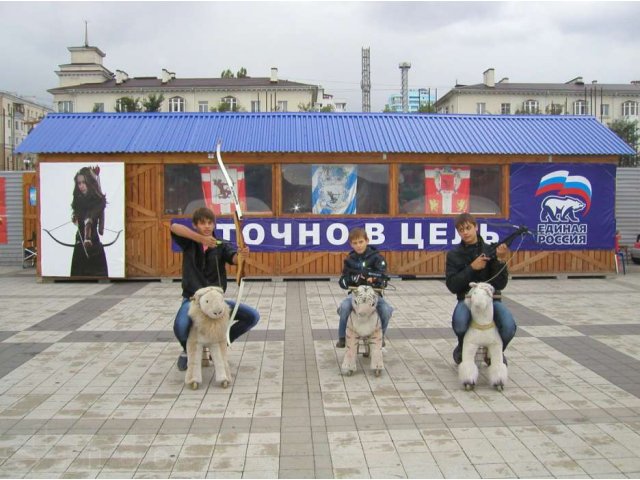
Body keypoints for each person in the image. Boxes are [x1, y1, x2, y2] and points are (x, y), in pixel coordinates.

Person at [171, 207, 260, 371]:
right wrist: (200, 239)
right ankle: (187, 350)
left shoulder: (220, 245)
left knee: (252, 316)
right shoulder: (189, 242)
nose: (206, 226)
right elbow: (174, 227)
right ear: (195, 225)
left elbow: (233, 258)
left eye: (210, 223)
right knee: (180, 327)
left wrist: (241, 255)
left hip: (216, 302)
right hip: (193, 300)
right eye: (202, 223)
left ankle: (221, 345)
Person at [445, 212, 517, 365]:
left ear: (476, 227)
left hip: (492, 300)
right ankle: (463, 347)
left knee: (509, 326)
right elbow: (452, 285)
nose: (465, 232)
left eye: (468, 228)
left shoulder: (491, 250)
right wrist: (472, 268)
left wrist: (500, 260)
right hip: (466, 300)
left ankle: (495, 352)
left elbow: (500, 284)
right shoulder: (454, 255)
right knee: (459, 323)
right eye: (461, 230)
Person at [335, 227, 393, 348]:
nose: (358, 245)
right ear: (351, 244)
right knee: (345, 307)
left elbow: (384, 277)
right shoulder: (349, 260)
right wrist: (352, 279)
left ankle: (380, 336)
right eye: (355, 243)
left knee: (386, 310)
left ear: (367, 240)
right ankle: (342, 337)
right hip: (355, 294)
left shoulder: (377, 258)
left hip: (374, 295)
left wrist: (376, 280)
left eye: (361, 242)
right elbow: (343, 280)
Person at [70, 166, 108, 277]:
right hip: (80, 242)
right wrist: (75, 218)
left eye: (83, 182)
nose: (81, 186)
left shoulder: (98, 201)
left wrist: (88, 223)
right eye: (79, 183)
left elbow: (90, 217)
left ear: (89, 183)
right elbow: (79, 217)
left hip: (94, 244)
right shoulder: (78, 200)